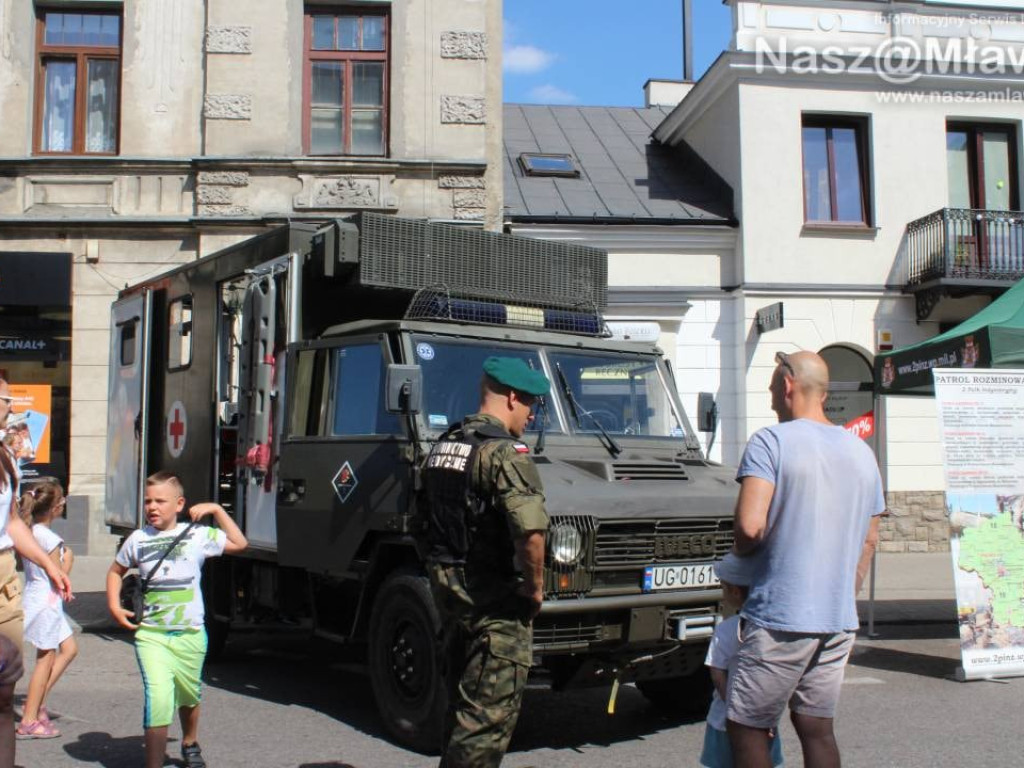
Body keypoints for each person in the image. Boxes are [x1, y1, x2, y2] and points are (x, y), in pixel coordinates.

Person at [727, 351, 884, 768]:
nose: (770, 397)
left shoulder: (770, 441)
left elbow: (749, 527)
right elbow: (870, 539)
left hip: (781, 614)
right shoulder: (861, 452)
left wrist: (737, 565)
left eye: (771, 388)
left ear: (788, 385)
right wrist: (843, 593)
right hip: (838, 617)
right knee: (816, 728)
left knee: (747, 725)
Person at [419, 357, 550, 768]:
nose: (531, 415)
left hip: (452, 600)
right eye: (530, 405)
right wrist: (534, 588)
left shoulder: (445, 444)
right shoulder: (504, 452)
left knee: (461, 710)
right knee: (485, 724)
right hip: (494, 605)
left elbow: (424, 522)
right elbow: (530, 532)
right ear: (512, 397)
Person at [106, 471, 247, 768]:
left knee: (189, 695)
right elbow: (115, 571)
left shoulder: (197, 535)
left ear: (179, 504)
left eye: (160, 501)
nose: (152, 507)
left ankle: (189, 740)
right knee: (158, 699)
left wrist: (218, 510)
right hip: (151, 636)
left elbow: (240, 543)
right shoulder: (138, 539)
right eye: (148, 501)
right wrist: (114, 606)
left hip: (190, 633)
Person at [0, 378, 72, 768]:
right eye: (6, 400)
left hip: (6, 575)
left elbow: (12, 523)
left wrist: (49, 565)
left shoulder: (7, 458)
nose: (12, 407)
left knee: (5, 681)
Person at [701, 552, 783, 768]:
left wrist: (733, 707)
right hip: (765, 719)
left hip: (723, 721)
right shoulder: (773, 629)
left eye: (723, 587)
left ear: (735, 591)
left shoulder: (726, 629)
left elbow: (717, 672)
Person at [17, 481, 77, 740]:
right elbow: (58, 577)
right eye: (62, 500)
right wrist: (69, 561)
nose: (63, 503)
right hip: (47, 602)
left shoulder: (33, 531)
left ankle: (35, 702)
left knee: (70, 649)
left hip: (40, 599)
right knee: (45, 659)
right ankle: (29, 719)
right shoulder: (50, 538)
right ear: (55, 507)